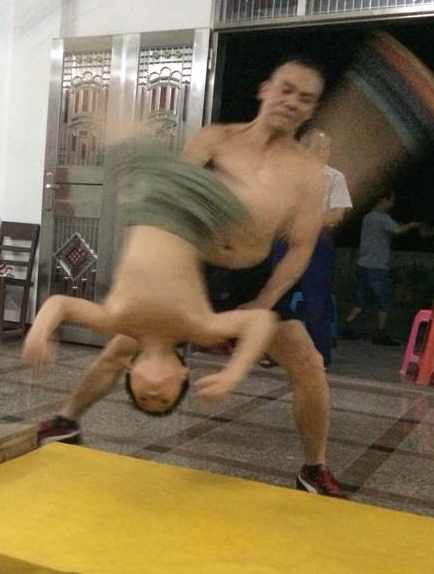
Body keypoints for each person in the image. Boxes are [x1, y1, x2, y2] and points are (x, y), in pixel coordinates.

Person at [32, 58, 347, 498]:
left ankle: (314, 468)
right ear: (265, 89)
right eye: (287, 89)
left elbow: (300, 248)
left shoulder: (308, 172)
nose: (293, 102)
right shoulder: (215, 139)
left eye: (306, 99)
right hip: (192, 270)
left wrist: (264, 301)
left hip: (253, 279)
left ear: (312, 110)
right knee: (122, 346)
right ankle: (65, 421)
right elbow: (166, 198)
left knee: (308, 362)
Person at [21, 143, 281, 409]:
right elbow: (261, 320)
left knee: (118, 137)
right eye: (165, 399)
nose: (154, 395)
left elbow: (60, 304)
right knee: (255, 249)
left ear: (129, 368)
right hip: (200, 207)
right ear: (183, 374)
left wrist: (39, 332)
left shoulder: (116, 320)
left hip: (152, 198)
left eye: (143, 398)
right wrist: (234, 373)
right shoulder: (199, 328)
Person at [263, 128, 352, 369]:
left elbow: (337, 214)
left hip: (317, 243)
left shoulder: (335, 177)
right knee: (277, 297)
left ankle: (320, 355)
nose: (325, 152)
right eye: (319, 147)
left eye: (327, 147)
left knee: (317, 302)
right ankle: (275, 352)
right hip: (285, 241)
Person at [341, 193, 421, 345]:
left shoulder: (368, 217)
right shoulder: (382, 218)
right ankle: (380, 333)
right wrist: (412, 225)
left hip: (363, 263)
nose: (392, 204)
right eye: (391, 201)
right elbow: (397, 230)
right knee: (384, 301)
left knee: (361, 301)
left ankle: (347, 326)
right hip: (377, 266)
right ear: (383, 200)